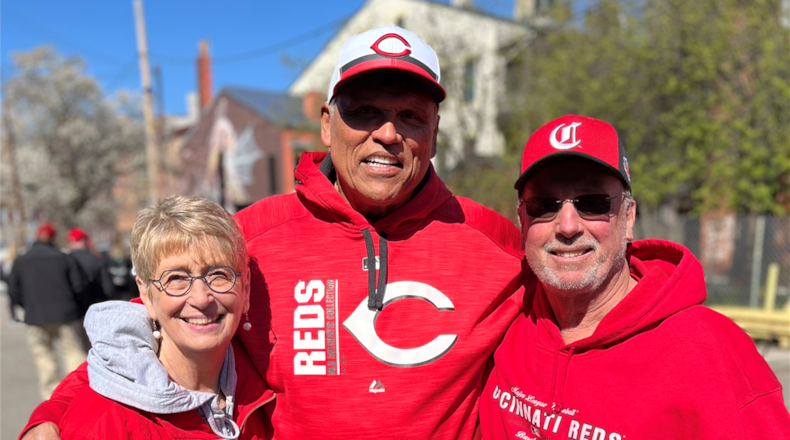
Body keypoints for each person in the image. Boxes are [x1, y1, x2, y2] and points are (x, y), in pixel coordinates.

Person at [21, 26, 530, 439]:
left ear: (434, 134)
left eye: (411, 117)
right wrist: (57, 413)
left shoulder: (496, 243)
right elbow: (140, 335)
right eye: (366, 112)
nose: (389, 134)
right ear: (328, 125)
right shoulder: (251, 235)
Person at [480, 115, 790, 439]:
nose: (568, 226)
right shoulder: (501, 321)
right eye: (544, 205)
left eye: (592, 203)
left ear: (628, 217)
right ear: (522, 220)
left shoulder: (709, 351)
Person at [55, 196, 273, 439]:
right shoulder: (103, 421)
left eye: (219, 274)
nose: (201, 299)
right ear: (146, 294)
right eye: (177, 278)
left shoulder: (266, 385)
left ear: (246, 289)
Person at [7, 223, 86, 400]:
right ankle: (80, 393)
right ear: (53, 238)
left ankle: (51, 397)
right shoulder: (63, 258)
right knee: (72, 352)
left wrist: (26, 306)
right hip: (65, 315)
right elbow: (78, 287)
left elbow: (13, 290)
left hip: (36, 317)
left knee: (43, 356)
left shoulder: (21, 260)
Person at [67, 228, 113, 312]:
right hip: (96, 307)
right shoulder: (96, 259)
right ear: (85, 240)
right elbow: (108, 288)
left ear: (71, 241)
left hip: (74, 310)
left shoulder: (65, 260)